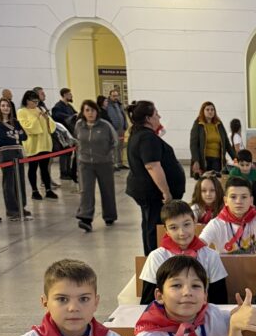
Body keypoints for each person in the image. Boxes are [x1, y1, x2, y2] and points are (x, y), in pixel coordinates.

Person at [139, 199, 228, 306]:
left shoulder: (211, 256)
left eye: (186, 224)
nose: (182, 233)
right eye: (173, 227)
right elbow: (147, 303)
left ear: (194, 223)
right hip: (166, 314)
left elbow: (219, 301)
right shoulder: (156, 257)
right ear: (166, 230)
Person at [126, 100, 186, 254]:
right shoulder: (147, 138)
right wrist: (166, 192)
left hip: (148, 191)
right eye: (156, 114)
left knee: (149, 224)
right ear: (148, 118)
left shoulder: (140, 135)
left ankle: (152, 255)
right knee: (153, 227)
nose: (159, 116)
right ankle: (154, 257)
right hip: (152, 193)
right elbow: (152, 166)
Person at [199, 176, 256, 254]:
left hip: (253, 263)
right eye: (233, 197)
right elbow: (198, 248)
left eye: (244, 197)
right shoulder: (215, 224)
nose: (238, 201)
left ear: (251, 200)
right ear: (225, 201)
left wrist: (254, 260)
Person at [73, 99, 117, 233]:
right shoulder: (79, 125)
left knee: (107, 190)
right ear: (83, 112)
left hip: (104, 163)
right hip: (85, 163)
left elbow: (114, 141)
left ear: (97, 111)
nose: (90, 113)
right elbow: (76, 141)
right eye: (87, 110)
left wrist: (108, 154)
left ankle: (109, 216)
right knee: (86, 191)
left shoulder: (105, 125)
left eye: (92, 110)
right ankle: (85, 218)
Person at [0, 97, 31, 221]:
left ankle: (21, 206)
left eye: (8, 105)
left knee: (20, 181)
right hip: (6, 153)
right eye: (3, 106)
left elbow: (24, 136)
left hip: (18, 152)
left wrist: (12, 135)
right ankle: (12, 210)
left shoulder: (15, 121)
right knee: (9, 182)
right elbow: (0, 139)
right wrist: (16, 135)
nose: (6, 108)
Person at [18, 89, 57, 202]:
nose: (36, 103)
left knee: (45, 168)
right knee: (33, 167)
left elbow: (52, 125)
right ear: (27, 100)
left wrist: (46, 118)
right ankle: (34, 191)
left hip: (44, 142)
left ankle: (48, 190)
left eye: (37, 101)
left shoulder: (40, 109)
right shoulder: (21, 111)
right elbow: (26, 127)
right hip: (33, 144)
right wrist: (38, 117)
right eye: (34, 101)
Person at [190, 101, 230, 176]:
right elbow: (193, 145)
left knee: (216, 180)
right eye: (207, 109)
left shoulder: (219, 124)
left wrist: (236, 158)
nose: (210, 111)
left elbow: (227, 143)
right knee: (205, 180)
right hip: (204, 159)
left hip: (217, 160)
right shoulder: (198, 124)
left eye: (212, 109)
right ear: (203, 111)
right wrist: (196, 160)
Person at [106, 88, 128, 170]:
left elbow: (123, 115)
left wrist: (125, 125)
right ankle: (113, 164)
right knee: (114, 147)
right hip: (113, 129)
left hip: (121, 128)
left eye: (116, 96)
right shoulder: (107, 105)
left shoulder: (119, 104)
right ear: (110, 96)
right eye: (113, 96)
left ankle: (120, 163)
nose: (115, 97)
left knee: (120, 147)